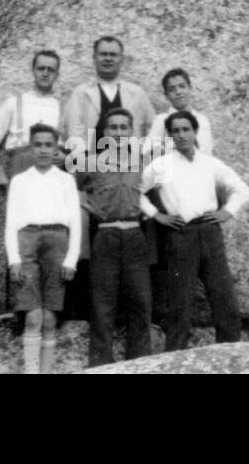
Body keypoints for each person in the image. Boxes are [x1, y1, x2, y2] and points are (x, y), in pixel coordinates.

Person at [140, 112, 249, 351]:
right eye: (176, 131)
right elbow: (136, 192)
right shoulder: (161, 165)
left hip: (210, 233)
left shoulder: (210, 163)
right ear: (170, 136)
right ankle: (175, 359)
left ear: (194, 131)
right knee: (180, 304)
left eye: (186, 129)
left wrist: (227, 212)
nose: (181, 135)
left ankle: (230, 355)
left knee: (224, 299)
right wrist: (157, 215)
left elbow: (241, 189)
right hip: (180, 236)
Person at [77, 107, 153, 367]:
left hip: (134, 236)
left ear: (131, 132)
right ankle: (100, 365)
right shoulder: (91, 162)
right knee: (102, 304)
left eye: (123, 127)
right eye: (113, 127)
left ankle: (141, 364)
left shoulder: (142, 163)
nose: (118, 133)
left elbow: (155, 195)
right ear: (104, 132)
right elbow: (73, 189)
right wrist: (89, 207)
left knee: (141, 302)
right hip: (105, 237)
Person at [5, 123, 81, 374]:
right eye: (38, 144)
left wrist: (71, 259)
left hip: (57, 243)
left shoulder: (65, 180)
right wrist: (14, 259)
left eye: (49, 144)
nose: (43, 150)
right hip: (27, 242)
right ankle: (32, 370)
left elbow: (75, 223)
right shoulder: (20, 180)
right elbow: (11, 222)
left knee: (49, 319)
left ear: (56, 147)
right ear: (31, 147)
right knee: (33, 316)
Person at [59, 36, 156, 162]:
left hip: (130, 166)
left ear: (121, 59)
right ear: (94, 58)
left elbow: (153, 129)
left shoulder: (137, 93)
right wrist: (84, 163)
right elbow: (74, 131)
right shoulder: (80, 93)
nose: (108, 58)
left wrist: (143, 156)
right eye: (103, 54)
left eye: (113, 55)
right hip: (92, 167)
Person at [0, 50, 62, 186]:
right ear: (33, 70)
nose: (45, 73)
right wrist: (0, 174)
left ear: (57, 75)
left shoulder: (61, 108)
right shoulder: (14, 102)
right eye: (41, 68)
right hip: (20, 166)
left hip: (52, 171)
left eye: (50, 70)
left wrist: (66, 159)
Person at [145, 68, 215, 156]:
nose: (178, 92)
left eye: (182, 86)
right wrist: (168, 147)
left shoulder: (202, 120)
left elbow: (207, 152)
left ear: (190, 88)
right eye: (171, 89)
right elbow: (146, 152)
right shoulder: (161, 120)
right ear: (166, 95)